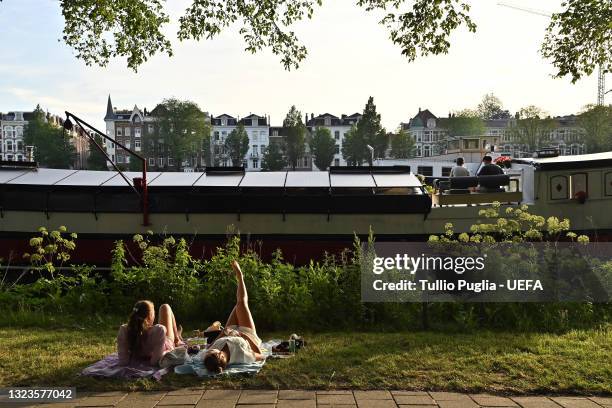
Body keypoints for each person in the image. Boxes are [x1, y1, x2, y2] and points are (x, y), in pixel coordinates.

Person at [203, 260, 265, 373]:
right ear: (221, 356)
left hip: (229, 332)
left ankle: (240, 279)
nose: (209, 351)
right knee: (241, 303)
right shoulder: (241, 356)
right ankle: (240, 276)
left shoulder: (210, 355)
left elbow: (209, 347)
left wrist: (222, 333)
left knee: (237, 305)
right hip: (247, 334)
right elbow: (260, 355)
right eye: (211, 352)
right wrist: (243, 336)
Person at [117, 300, 184, 366]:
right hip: (165, 344)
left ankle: (177, 336)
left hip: (156, 338)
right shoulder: (159, 330)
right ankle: (177, 339)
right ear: (150, 316)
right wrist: (167, 351)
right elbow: (155, 362)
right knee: (165, 307)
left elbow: (123, 361)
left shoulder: (124, 330)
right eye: (154, 312)